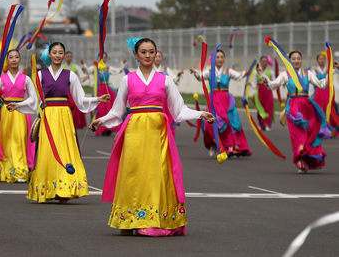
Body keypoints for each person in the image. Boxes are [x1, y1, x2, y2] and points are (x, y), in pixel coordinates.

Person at [89, 37, 215, 237]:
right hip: (134, 134)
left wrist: (201, 114)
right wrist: (101, 121)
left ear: (156, 54)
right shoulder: (127, 79)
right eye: (143, 52)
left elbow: (179, 110)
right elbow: (117, 111)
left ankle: (154, 220)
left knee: (156, 176)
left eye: (151, 52)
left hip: (158, 135)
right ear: (135, 55)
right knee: (133, 175)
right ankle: (129, 220)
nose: (148, 55)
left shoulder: (165, 79)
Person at [16, 42, 110, 203]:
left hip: (65, 115)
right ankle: (47, 189)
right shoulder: (40, 75)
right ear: (49, 55)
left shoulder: (70, 75)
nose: (58, 55)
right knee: (47, 149)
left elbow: (80, 99)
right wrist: (18, 104)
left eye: (61, 52)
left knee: (66, 148)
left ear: (64, 55)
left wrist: (98, 99)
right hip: (47, 115)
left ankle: (64, 189)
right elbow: (33, 99)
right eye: (55, 52)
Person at [258, 50, 329, 173]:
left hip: (307, 107)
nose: (296, 61)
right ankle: (299, 161)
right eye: (293, 59)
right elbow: (272, 85)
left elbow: (322, 85)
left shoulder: (308, 74)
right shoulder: (285, 75)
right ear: (289, 61)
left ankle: (307, 161)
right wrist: (263, 76)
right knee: (297, 136)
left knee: (309, 135)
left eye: (298, 58)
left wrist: (332, 72)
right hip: (294, 108)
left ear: (302, 60)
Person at [0, 49, 37, 182]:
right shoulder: (1, 79)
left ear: (20, 60)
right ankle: (8, 169)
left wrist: (20, 105)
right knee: (7, 142)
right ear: (7, 61)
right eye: (11, 57)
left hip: (20, 113)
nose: (14, 59)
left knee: (20, 141)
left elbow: (33, 99)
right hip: (6, 113)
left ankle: (20, 171)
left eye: (16, 57)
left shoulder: (26, 79)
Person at [189, 49, 252, 157]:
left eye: (222, 57)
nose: (220, 59)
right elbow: (200, 78)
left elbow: (238, 76)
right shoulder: (209, 72)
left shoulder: (228, 71)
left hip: (226, 100)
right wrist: (195, 72)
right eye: (217, 57)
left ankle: (230, 146)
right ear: (213, 59)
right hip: (213, 100)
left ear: (224, 58)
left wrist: (244, 73)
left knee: (231, 122)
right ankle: (214, 143)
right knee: (212, 123)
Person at [81, 53, 126, 136]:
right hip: (98, 91)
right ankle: (101, 128)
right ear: (98, 58)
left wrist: (122, 64)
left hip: (107, 90)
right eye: (101, 57)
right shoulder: (94, 68)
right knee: (100, 109)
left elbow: (118, 70)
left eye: (104, 57)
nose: (103, 59)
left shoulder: (108, 68)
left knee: (109, 109)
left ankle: (109, 128)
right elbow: (86, 70)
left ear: (106, 59)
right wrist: (83, 64)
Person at [311, 52, 339, 133]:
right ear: (317, 60)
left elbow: (333, 83)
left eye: (323, 59)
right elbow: (312, 84)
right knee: (319, 110)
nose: (322, 60)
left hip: (327, 93)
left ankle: (330, 130)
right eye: (320, 59)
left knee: (329, 110)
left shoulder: (329, 70)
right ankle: (318, 130)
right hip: (318, 94)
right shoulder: (314, 71)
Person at [62, 51, 90, 128]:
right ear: (65, 57)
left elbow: (81, 75)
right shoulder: (61, 67)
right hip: (65, 89)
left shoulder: (76, 67)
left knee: (76, 105)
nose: (69, 58)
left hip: (73, 88)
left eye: (71, 56)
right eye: (68, 56)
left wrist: (85, 76)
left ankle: (76, 122)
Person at [250, 56, 276, 131]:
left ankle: (267, 124)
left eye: (266, 61)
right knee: (260, 107)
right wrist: (250, 84)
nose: (264, 63)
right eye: (263, 61)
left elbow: (274, 83)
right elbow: (254, 84)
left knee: (268, 107)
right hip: (259, 92)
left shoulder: (271, 72)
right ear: (260, 62)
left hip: (268, 91)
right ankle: (260, 124)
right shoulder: (256, 72)